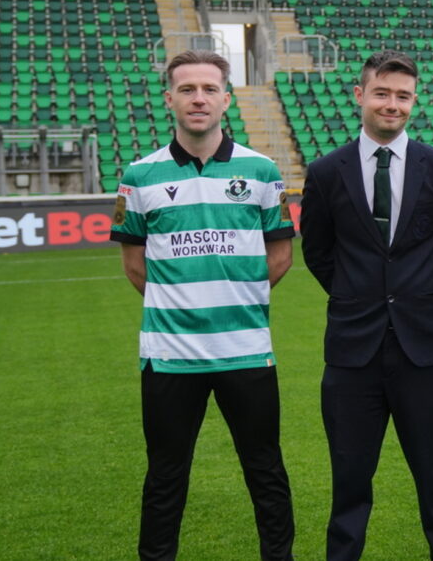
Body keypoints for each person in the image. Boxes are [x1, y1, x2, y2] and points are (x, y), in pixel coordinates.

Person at [110, 49, 295, 560]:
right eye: (187, 89)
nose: (198, 98)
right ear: (169, 98)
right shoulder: (138, 176)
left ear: (226, 99)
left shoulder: (261, 170)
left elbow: (280, 257)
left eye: (209, 89)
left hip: (246, 349)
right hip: (170, 354)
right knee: (166, 476)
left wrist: (234, 302)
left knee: (265, 470)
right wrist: (183, 306)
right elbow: (133, 264)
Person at [300, 50, 433, 561]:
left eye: (402, 96)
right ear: (360, 95)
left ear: (414, 101)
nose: (391, 105)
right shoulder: (326, 171)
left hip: (425, 348)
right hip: (354, 351)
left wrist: (417, 294)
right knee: (349, 484)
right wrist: (361, 293)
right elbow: (318, 252)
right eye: (382, 93)